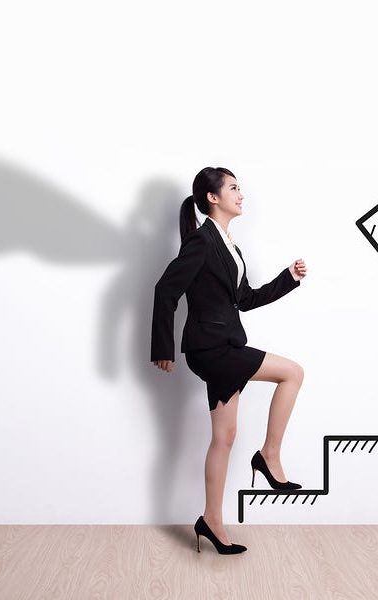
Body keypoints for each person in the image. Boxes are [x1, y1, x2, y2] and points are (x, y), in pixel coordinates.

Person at [150, 167, 307, 554]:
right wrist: (163, 350)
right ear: (212, 198)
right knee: (292, 373)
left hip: (222, 345)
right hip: (213, 349)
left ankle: (211, 522)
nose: (242, 194)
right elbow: (165, 290)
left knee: (224, 437)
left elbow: (245, 300)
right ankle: (269, 455)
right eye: (234, 188)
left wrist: (287, 278)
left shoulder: (229, 245)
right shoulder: (202, 241)